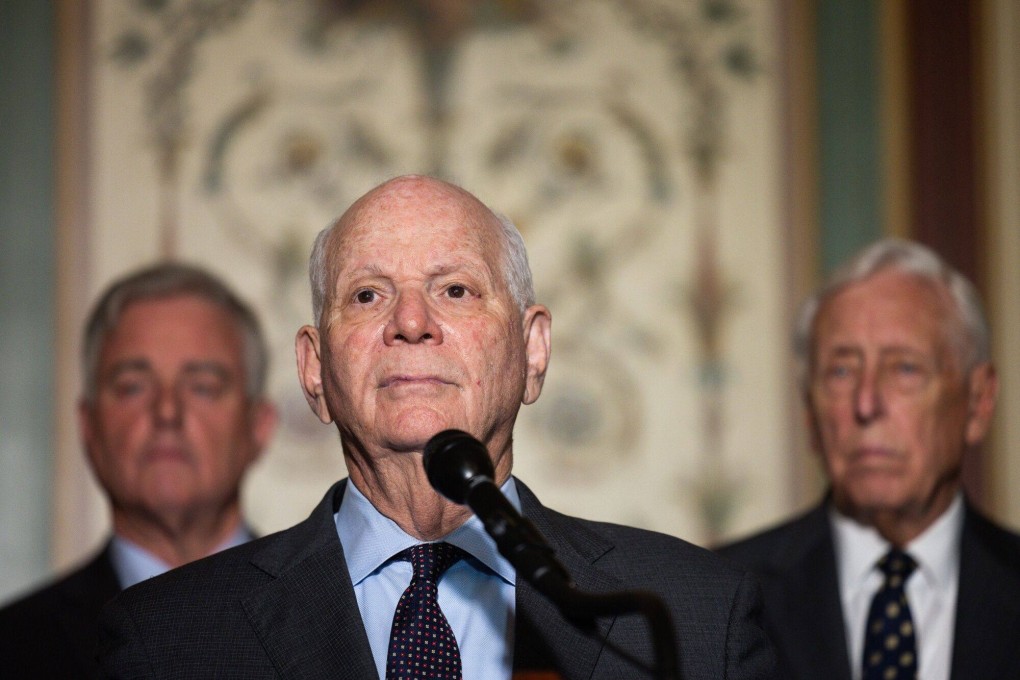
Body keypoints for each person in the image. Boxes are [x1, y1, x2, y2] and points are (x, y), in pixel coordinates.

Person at [96, 175, 776, 679]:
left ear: (532, 352)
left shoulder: (693, 617)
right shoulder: (169, 643)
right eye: (368, 295)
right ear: (313, 369)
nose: (412, 322)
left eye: (455, 289)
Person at [718, 238, 1020, 680]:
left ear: (977, 403)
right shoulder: (724, 599)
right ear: (808, 410)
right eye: (841, 371)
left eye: (905, 369)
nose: (866, 403)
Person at [0, 263, 278, 678]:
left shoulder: (338, 622)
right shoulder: (13, 647)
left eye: (202, 385)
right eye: (132, 386)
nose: (167, 411)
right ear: (88, 426)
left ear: (259, 426)